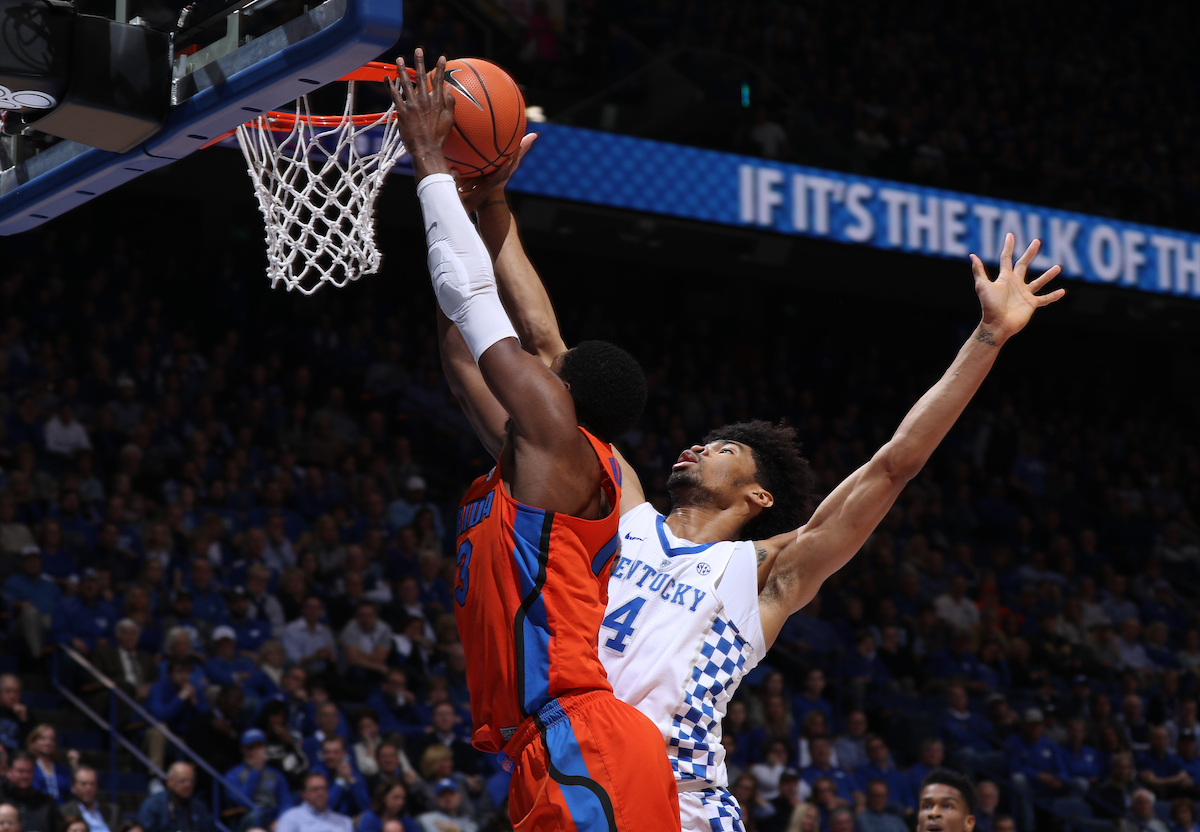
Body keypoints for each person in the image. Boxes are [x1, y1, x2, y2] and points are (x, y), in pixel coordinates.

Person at [443, 72, 1065, 828]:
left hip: (685, 806)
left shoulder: (765, 574)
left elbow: (894, 463)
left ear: (758, 497)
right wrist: (493, 203)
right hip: (577, 771)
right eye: (701, 441)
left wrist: (987, 338)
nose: (697, 446)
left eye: (722, 448)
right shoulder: (621, 511)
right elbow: (552, 355)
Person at [389, 50, 676, 831]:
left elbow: (483, 309)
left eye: (553, 374)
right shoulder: (532, 464)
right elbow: (459, 351)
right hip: (549, 746)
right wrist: (487, 203)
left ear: (563, 396)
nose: (540, 366)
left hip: (585, 740)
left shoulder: (558, 443)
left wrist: (430, 167)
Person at [224, 729, 291, 831]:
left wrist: (280, 819)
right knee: (254, 817)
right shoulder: (232, 775)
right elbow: (241, 802)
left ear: (265, 748)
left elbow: (286, 802)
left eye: (259, 746)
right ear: (243, 749)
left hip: (272, 818)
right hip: (247, 820)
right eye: (251, 747)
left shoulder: (276, 775)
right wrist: (256, 771)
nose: (255, 751)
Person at [137, 763, 212, 832]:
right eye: (182, 781)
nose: (188, 785)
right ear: (169, 782)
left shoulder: (199, 806)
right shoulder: (153, 804)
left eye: (191, 781)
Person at [0, 753, 62, 832]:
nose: (25, 776)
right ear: (8, 771)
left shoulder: (45, 801)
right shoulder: (1, 796)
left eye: (29, 771)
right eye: (20, 771)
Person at [275, 773, 351, 832]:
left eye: (324, 788)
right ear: (303, 794)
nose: (320, 793)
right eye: (315, 789)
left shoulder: (344, 821)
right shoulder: (291, 818)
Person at [26, 727, 70, 805]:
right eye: (43, 738)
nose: (48, 742)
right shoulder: (28, 767)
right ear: (33, 742)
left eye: (52, 739)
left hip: (61, 811)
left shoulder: (62, 770)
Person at [0, 679, 29, 756]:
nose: (12, 696)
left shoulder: (26, 713)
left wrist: (24, 720)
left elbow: (31, 742)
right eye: (8, 691)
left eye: (16, 692)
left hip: (18, 760)